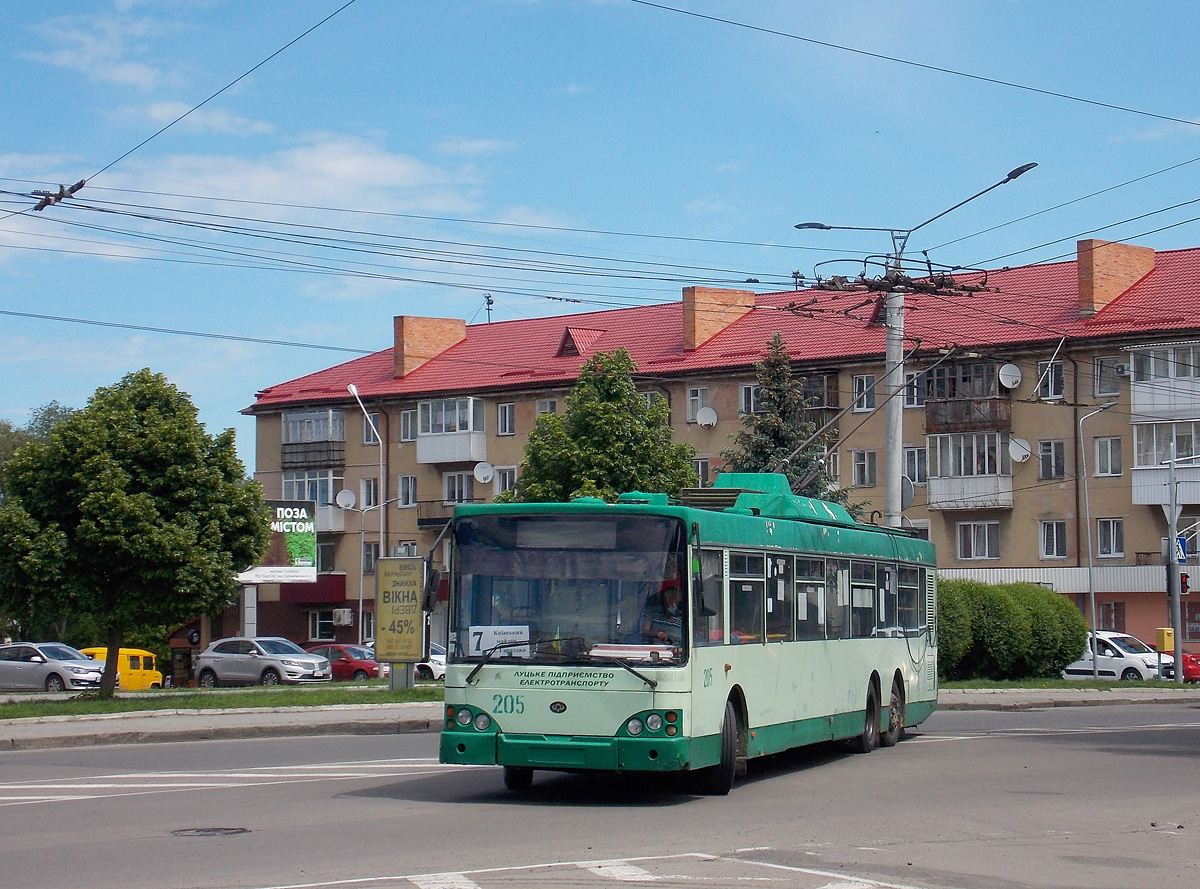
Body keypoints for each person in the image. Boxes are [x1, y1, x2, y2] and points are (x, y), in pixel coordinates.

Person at [640, 580, 684, 644]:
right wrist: (656, 634)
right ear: (665, 600)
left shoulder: (683, 621)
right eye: (672, 600)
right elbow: (643, 631)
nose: (675, 605)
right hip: (653, 650)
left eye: (677, 602)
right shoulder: (651, 613)